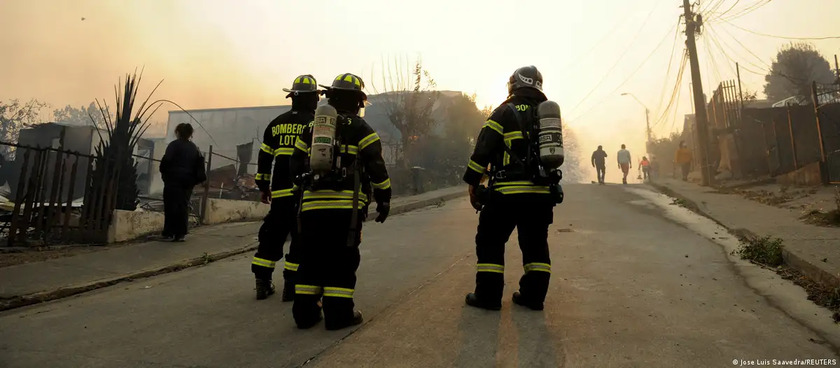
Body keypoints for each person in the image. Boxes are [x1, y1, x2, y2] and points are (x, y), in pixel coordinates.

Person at [291, 73, 391, 330]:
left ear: (331, 98)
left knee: (310, 258)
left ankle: (305, 314)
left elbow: (295, 165)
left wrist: (299, 197)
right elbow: (376, 167)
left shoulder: (312, 128)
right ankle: (339, 315)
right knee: (341, 260)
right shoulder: (361, 129)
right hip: (346, 211)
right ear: (359, 102)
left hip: (311, 207)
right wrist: (384, 199)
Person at [463, 65, 562, 312]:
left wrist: (473, 183)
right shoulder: (545, 115)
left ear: (513, 84)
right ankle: (533, 297)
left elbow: (482, 151)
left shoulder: (503, 112)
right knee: (536, 245)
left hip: (505, 195)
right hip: (540, 195)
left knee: (490, 242)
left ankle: (488, 297)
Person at [251, 75, 319, 301]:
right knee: (301, 238)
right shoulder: (316, 125)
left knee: (271, 236)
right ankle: (292, 286)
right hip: (304, 194)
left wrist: (263, 185)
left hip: (279, 194)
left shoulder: (276, 123)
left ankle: (262, 282)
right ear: (312, 99)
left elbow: (264, 157)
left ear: (292, 97)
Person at [159, 123, 205, 242]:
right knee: (183, 206)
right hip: (187, 182)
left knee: (170, 205)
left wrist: (165, 174)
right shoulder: (194, 148)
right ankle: (181, 233)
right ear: (190, 134)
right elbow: (198, 165)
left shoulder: (173, 145)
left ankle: (169, 232)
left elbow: (166, 161)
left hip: (173, 180)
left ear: (178, 132)